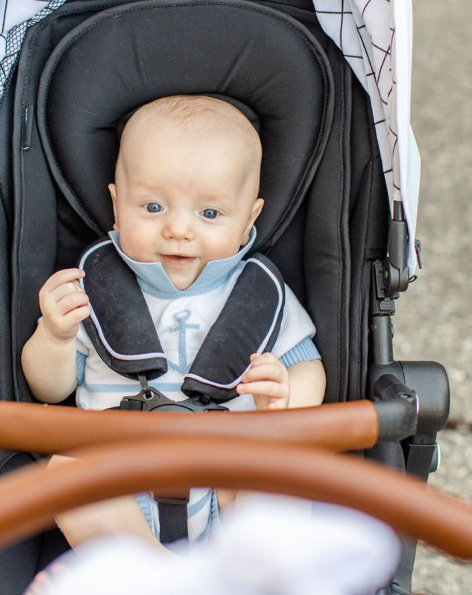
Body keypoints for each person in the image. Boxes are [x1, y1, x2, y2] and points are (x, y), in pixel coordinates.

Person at [21, 95, 326, 550]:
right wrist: (55, 335)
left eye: (209, 214)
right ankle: (152, 577)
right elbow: (51, 390)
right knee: (67, 468)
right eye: (152, 208)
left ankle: (245, 571)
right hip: (121, 484)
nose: (179, 230)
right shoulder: (91, 289)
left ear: (249, 219)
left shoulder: (259, 293)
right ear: (116, 203)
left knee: (291, 475)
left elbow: (308, 366)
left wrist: (285, 401)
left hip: (232, 480)